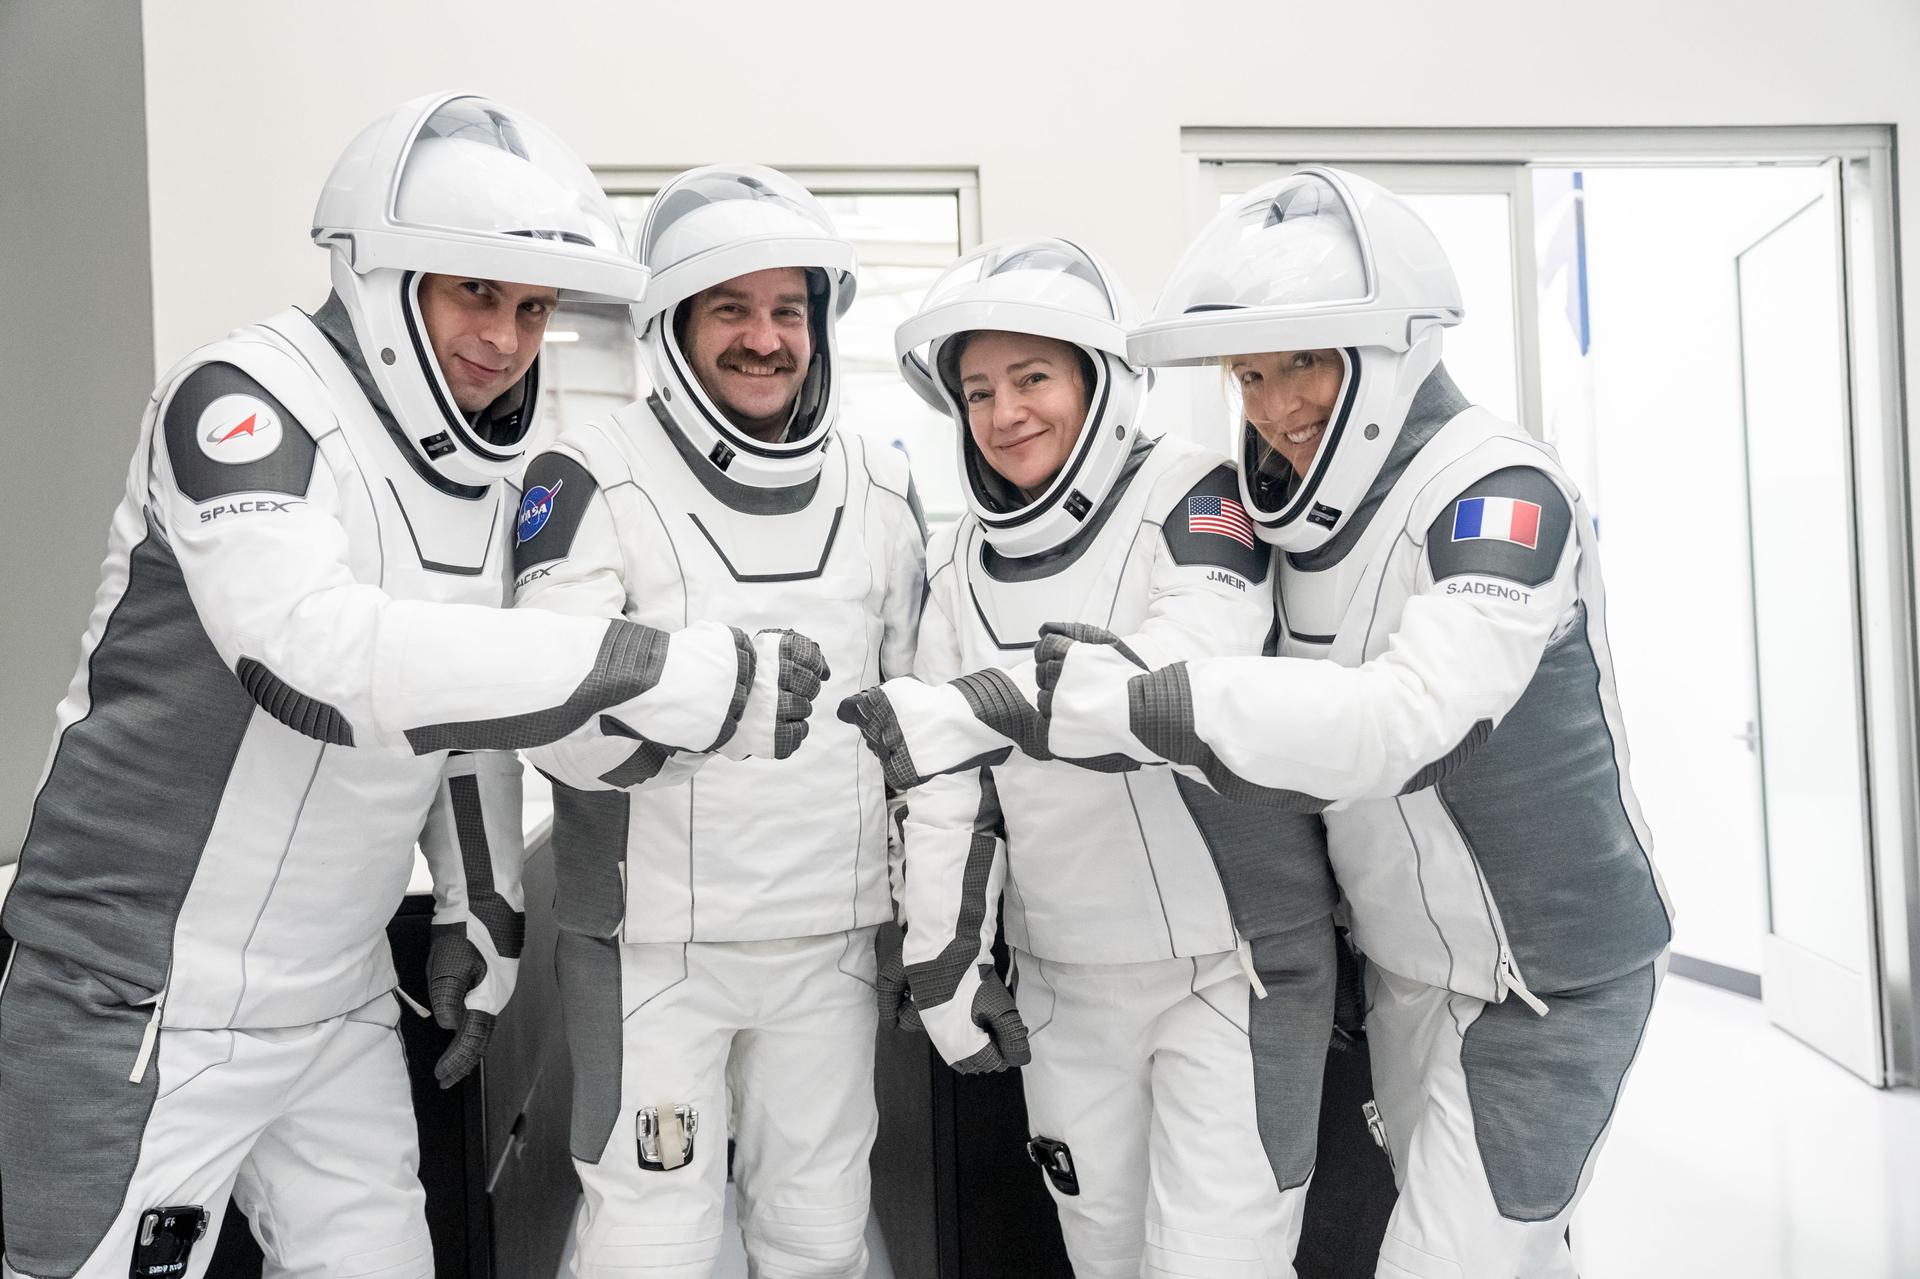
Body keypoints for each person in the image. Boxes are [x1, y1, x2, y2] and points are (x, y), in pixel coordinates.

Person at [0, 96, 819, 1279]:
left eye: (532, 307)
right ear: (385, 279)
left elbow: (466, 699)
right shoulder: (244, 397)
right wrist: (650, 663)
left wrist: (479, 911)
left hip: (335, 998)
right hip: (139, 990)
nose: (506, 337)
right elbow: (314, 659)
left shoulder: (486, 469)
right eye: (475, 292)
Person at [1025, 168, 1675, 1278]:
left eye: (1304, 364)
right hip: (1405, 973)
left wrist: (1147, 702)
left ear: (1387, 353)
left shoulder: (1499, 492)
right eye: (1250, 375)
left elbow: (1413, 721)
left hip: (1548, 985)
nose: (1275, 407)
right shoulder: (1289, 513)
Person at [838, 238, 1337, 1277]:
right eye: (979, 392)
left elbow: (1192, 668)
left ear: (1100, 382)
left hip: (1228, 969)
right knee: (1101, 1257)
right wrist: (946, 965)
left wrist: (984, 704)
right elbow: (946, 791)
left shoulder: (1200, 495)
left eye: (1032, 379)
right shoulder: (957, 561)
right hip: (1063, 981)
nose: (1005, 413)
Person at [510, 164, 925, 1279]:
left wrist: (924, 918)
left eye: (788, 309)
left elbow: (915, 730)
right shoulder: (586, 472)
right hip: (653, 951)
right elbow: (550, 702)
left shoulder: (881, 486)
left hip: (830, 943)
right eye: (731, 309)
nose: (764, 338)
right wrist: (704, 700)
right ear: (673, 326)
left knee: (820, 1236)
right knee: (650, 1246)